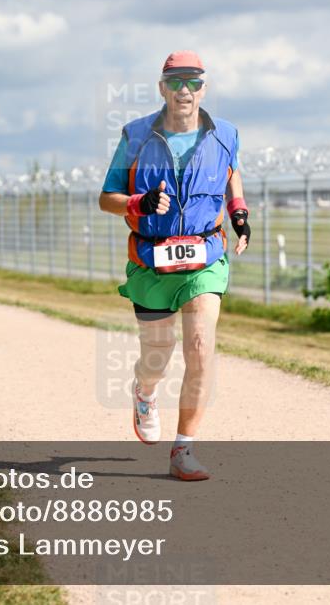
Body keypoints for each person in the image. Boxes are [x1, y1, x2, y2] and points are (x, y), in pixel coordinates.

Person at [99, 51, 251, 481]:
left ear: (205, 88)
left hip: (205, 256)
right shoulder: (135, 136)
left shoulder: (226, 134)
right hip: (151, 260)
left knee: (200, 348)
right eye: (176, 81)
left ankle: (184, 448)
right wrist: (136, 202)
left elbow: (231, 174)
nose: (185, 90)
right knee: (157, 357)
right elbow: (106, 197)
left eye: (194, 82)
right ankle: (144, 392)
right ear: (162, 87)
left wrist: (238, 212)